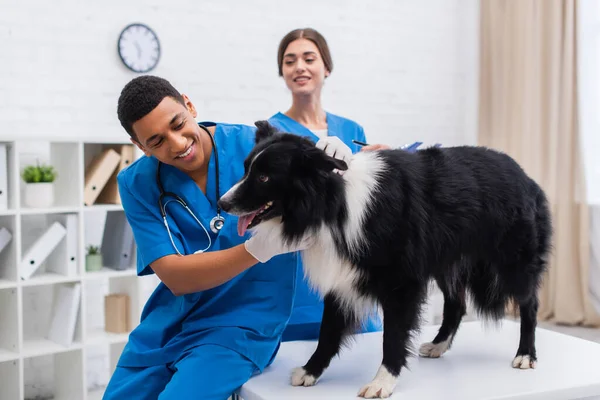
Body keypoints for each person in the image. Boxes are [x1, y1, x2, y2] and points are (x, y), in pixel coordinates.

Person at [102, 75, 338, 400]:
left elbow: (340, 163)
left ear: (189, 105)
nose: (177, 143)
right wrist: (257, 250)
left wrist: (351, 156)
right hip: (169, 325)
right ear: (140, 146)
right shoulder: (136, 183)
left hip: (243, 324)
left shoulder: (257, 143)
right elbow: (175, 277)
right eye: (156, 141)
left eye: (178, 123)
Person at [267, 28, 388, 341]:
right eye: (290, 61)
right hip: (303, 279)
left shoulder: (351, 129)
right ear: (282, 71)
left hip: (353, 274)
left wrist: (380, 167)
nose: (300, 67)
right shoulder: (274, 134)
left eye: (309, 58)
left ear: (326, 68)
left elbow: (367, 205)